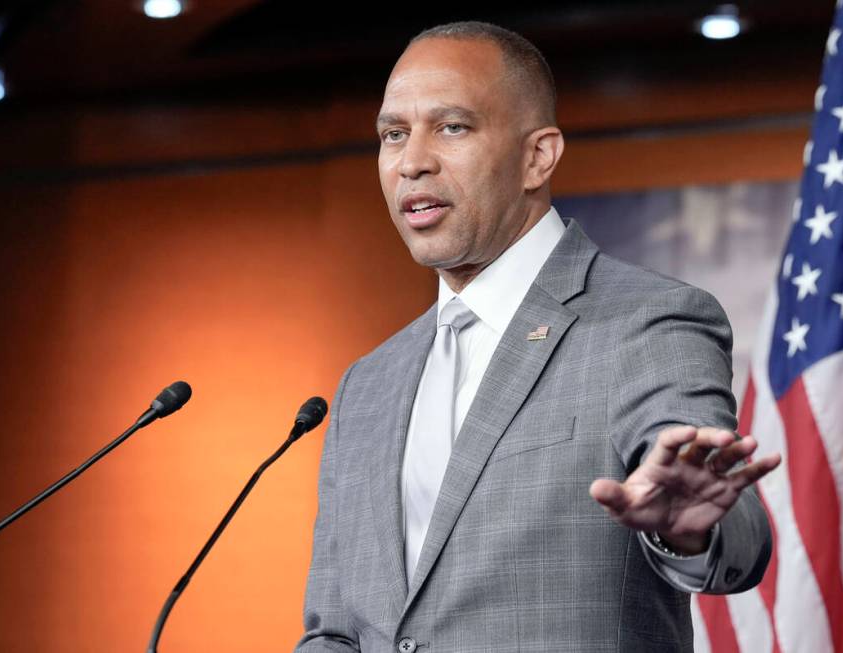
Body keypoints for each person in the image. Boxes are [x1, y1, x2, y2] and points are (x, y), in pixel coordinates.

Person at [296, 21, 781, 652]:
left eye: (452, 127)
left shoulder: (646, 322)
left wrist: (687, 529)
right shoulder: (368, 383)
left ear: (537, 156)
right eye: (393, 135)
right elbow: (334, 628)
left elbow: (728, 524)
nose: (412, 161)